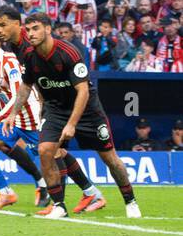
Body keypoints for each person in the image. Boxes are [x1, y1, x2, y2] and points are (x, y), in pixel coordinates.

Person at [8, 13, 141, 219]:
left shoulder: (69, 52)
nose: (30, 34)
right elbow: (26, 86)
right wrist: (13, 113)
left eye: (35, 28)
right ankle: (59, 205)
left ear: (48, 29)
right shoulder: (29, 56)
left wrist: (72, 124)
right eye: (28, 29)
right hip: (55, 109)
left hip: (87, 111)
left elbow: (83, 91)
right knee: (45, 150)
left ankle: (130, 200)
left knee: (109, 158)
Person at [0, 24, 44, 211]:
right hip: (11, 120)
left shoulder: (9, 62)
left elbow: (17, 96)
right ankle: (6, 193)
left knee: (51, 157)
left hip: (31, 118)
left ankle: (86, 191)